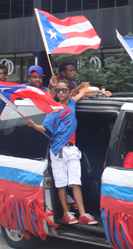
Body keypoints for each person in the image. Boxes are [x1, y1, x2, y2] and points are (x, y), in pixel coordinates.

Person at [26, 79, 111, 225]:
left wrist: (100, 91)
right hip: (58, 149)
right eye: (58, 90)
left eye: (63, 90)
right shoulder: (53, 109)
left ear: (70, 91)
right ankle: (66, 213)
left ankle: (83, 214)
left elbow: (84, 91)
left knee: (76, 182)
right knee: (61, 184)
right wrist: (34, 126)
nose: (60, 93)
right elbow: (45, 129)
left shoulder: (71, 103)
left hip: (72, 149)